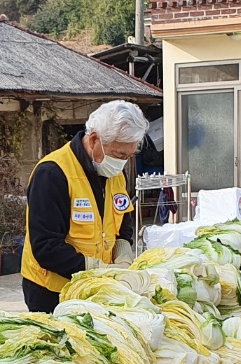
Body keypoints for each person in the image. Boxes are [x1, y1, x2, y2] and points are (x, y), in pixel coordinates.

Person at [21, 100, 149, 312]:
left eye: (129, 156)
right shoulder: (53, 173)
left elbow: (122, 223)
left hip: (97, 288)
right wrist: (96, 269)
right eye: (119, 155)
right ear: (94, 139)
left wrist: (123, 253)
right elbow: (45, 247)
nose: (123, 162)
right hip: (54, 292)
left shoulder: (116, 173)